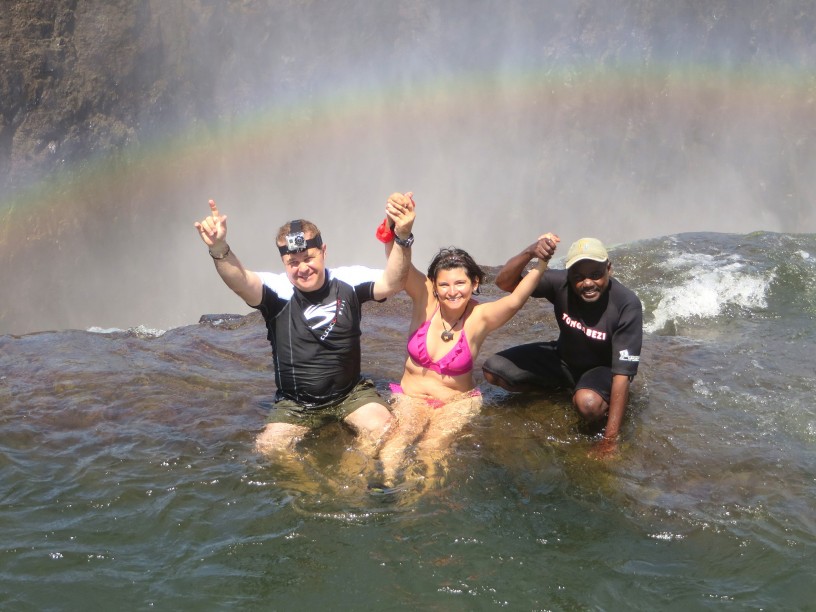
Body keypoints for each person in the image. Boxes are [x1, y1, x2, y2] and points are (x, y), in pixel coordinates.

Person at [193, 198, 415, 470]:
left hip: (350, 394)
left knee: (386, 429)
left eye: (309, 258)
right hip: (296, 404)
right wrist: (218, 248)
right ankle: (310, 491)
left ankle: (365, 475)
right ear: (284, 262)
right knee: (270, 449)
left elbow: (393, 283)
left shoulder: (348, 282)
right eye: (293, 261)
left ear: (323, 251)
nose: (302, 268)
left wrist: (402, 236)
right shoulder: (276, 291)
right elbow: (240, 280)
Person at [376, 192, 559, 486]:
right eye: (444, 284)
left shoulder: (481, 317)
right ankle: (385, 491)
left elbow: (515, 300)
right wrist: (396, 224)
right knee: (397, 439)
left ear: (474, 283)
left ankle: (416, 503)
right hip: (410, 397)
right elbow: (398, 264)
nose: (452, 291)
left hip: (455, 404)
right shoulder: (423, 297)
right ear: (434, 285)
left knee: (432, 451)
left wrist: (540, 262)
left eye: (460, 283)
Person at [482, 236, 643, 458]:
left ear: (609, 269)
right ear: (569, 275)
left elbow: (622, 375)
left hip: (602, 370)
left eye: (596, 274)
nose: (587, 283)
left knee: (588, 404)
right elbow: (505, 283)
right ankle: (564, 390)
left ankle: (591, 394)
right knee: (494, 370)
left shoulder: (626, 304)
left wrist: (609, 440)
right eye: (579, 277)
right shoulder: (560, 284)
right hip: (563, 359)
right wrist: (530, 252)